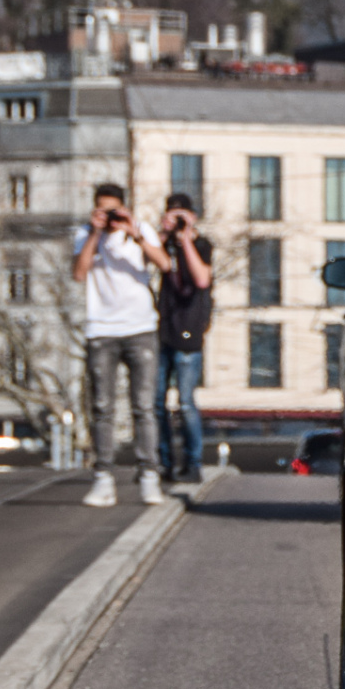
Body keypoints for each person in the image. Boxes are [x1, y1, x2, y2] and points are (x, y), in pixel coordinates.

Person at [70, 182, 168, 507]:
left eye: (114, 210)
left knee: (144, 406)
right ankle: (103, 477)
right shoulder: (85, 234)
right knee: (102, 407)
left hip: (140, 327)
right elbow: (79, 273)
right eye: (103, 210)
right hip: (102, 329)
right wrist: (97, 234)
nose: (110, 216)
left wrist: (134, 231)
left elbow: (165, 264)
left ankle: (149, 475)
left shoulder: (140, 231)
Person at [153, 191, 214, 482]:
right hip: (163, 331)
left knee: (186, 402)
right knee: (156, 401)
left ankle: (193, 463)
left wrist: (186, 239)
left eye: (182, 215)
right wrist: (163, 235)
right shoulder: (163, 245)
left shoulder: (201, 245)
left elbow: (202, 278)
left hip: (189, 333)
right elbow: (146, 259)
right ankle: (165, 462)